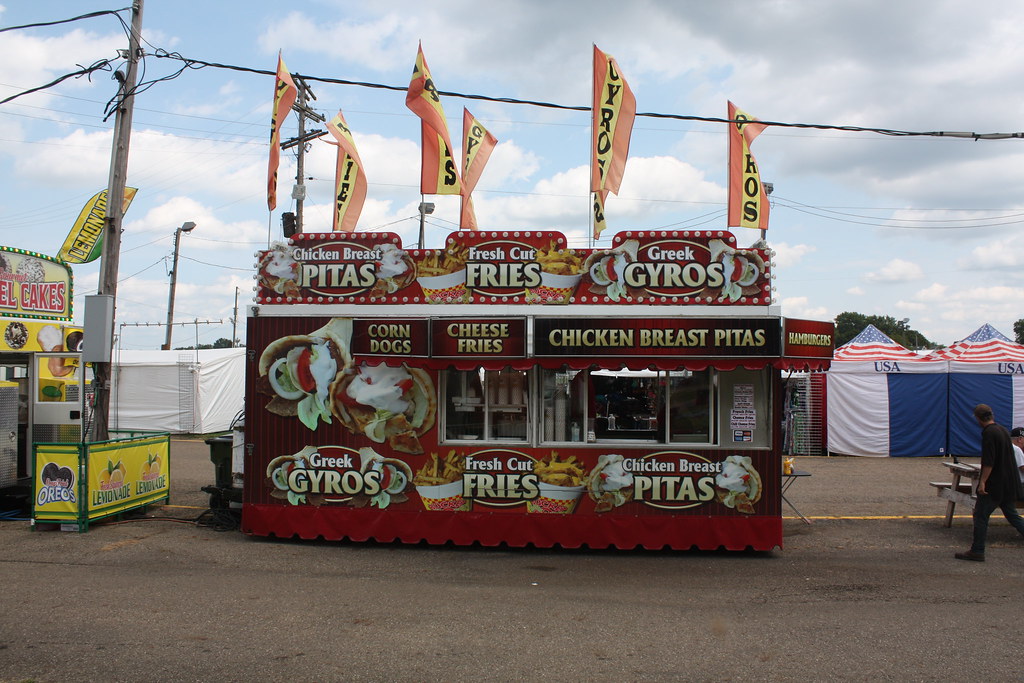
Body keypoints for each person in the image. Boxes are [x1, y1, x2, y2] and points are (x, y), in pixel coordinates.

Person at [955, 405, 1024, 561]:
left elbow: (989, 461)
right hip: (1009, 482)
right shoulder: (1003, 430)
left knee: (980, 515)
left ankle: (977, 550)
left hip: (995, 483)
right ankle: (977, 550)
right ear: (991, 415)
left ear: (977, 418)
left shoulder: (989, 433)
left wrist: (983, 482)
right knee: (1012, 514)